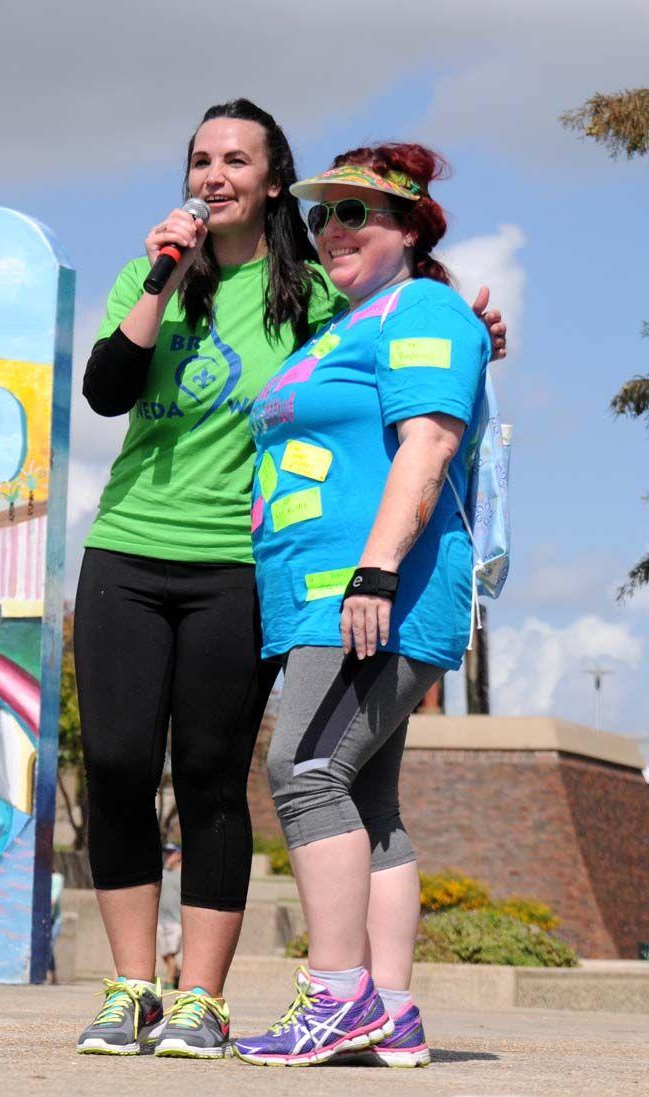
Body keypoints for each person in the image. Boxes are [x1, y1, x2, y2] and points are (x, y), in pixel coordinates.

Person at [74, 99, 506, 1059]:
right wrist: (161, 273)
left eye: (237, 159)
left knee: (236, 772)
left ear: (273, 180)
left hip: (245, 564)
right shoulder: (154, 276)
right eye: (199, 160)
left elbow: (402, 343)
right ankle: (135, 987)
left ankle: (216, 998)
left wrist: (466, 319)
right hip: (136, 548)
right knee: (117, 766)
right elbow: (108, 390)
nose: (213, 175)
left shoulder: (312, 288)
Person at [233, 145, 493, 1068]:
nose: (332, 229)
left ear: (412, 227)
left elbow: (428, 442)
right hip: (317, 598)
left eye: (359, 213)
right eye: (322, 215)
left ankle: (336, 996)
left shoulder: (423, 308)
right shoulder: (349, 324)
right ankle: (390, 1007)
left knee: (303, 768)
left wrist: (376, 571)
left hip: (375, 594)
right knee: (366, 798)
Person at [157, 844, 182, 989]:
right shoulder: (163, 873)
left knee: (171, 952)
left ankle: (169, 980)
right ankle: (177, 973)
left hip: (176, 920)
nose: (168, 855)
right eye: (167, 853)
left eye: (172, 853)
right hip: (161, 919)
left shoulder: (182, 874)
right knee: (165, 953)